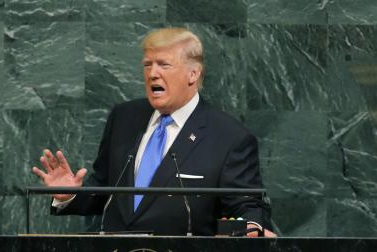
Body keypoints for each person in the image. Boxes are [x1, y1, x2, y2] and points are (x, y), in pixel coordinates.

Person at [32, 27, 276, 237]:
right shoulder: (124, 118)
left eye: (163, 65)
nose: (152, 73)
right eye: (147, 65)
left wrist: (252, 228)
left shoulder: (229, 137)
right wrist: (70, 195)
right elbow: (106, 188)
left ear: (193, 74)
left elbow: (247, 205)